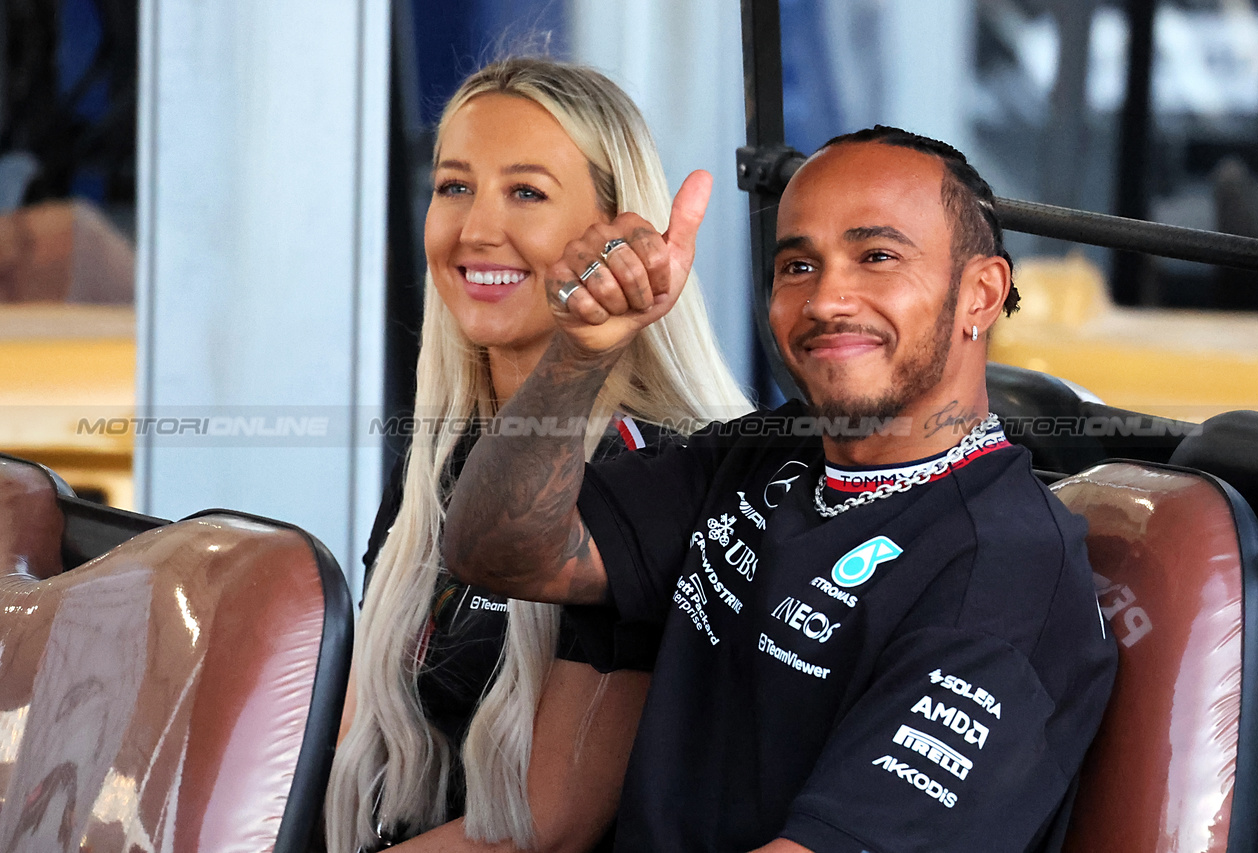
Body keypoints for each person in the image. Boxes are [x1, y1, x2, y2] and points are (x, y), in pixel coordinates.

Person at [443, 126, 1118, 853]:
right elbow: (495, 551)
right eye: (797, 265)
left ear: (981, 293)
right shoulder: (764, 453)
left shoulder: (1005, 574)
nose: (826, 298)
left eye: (877, 256)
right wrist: (580, 350)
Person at [324, 58, 750, 853]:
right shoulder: (441, 461)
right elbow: (345, 748)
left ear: (621, 233)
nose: (477, 228)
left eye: (527, 192)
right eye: (454, 186)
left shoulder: (657, 471)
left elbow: (546, 830)